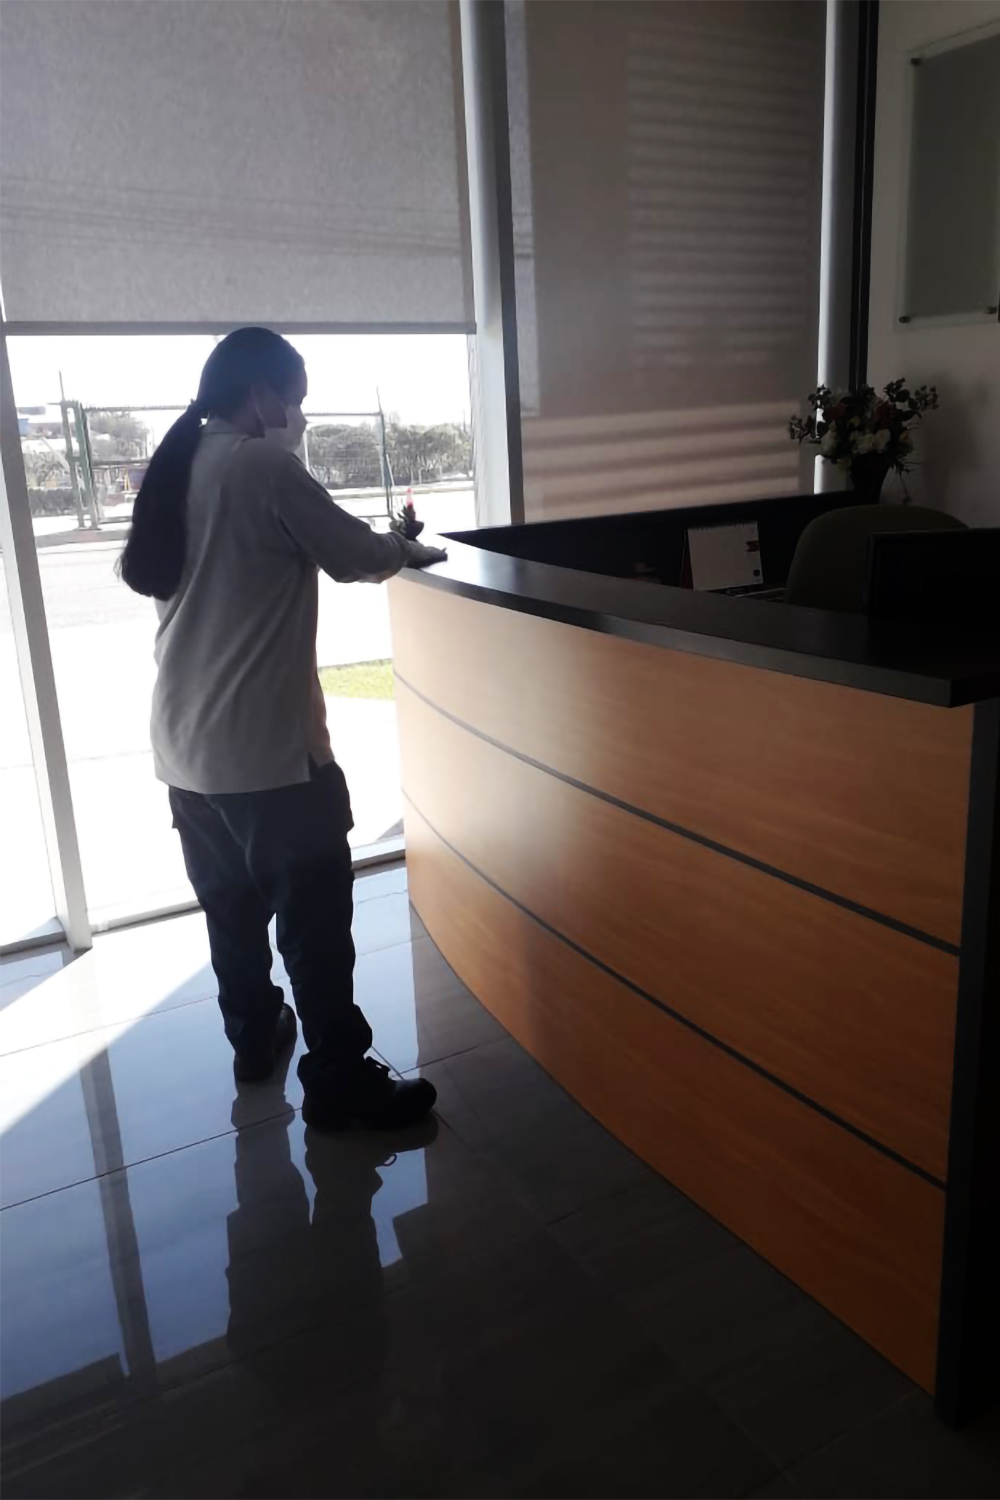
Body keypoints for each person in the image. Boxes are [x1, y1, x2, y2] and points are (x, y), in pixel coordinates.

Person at [119, 327, 444, 1130]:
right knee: (315, 926)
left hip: (185, 751)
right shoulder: (260, 465)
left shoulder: (178, 465)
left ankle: (255, 1040)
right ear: (260, 392)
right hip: (268, 754)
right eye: (295, 398)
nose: (299, 415)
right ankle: (339, 1083)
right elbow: (354, 554)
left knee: (232, 914)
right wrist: (404, 548)